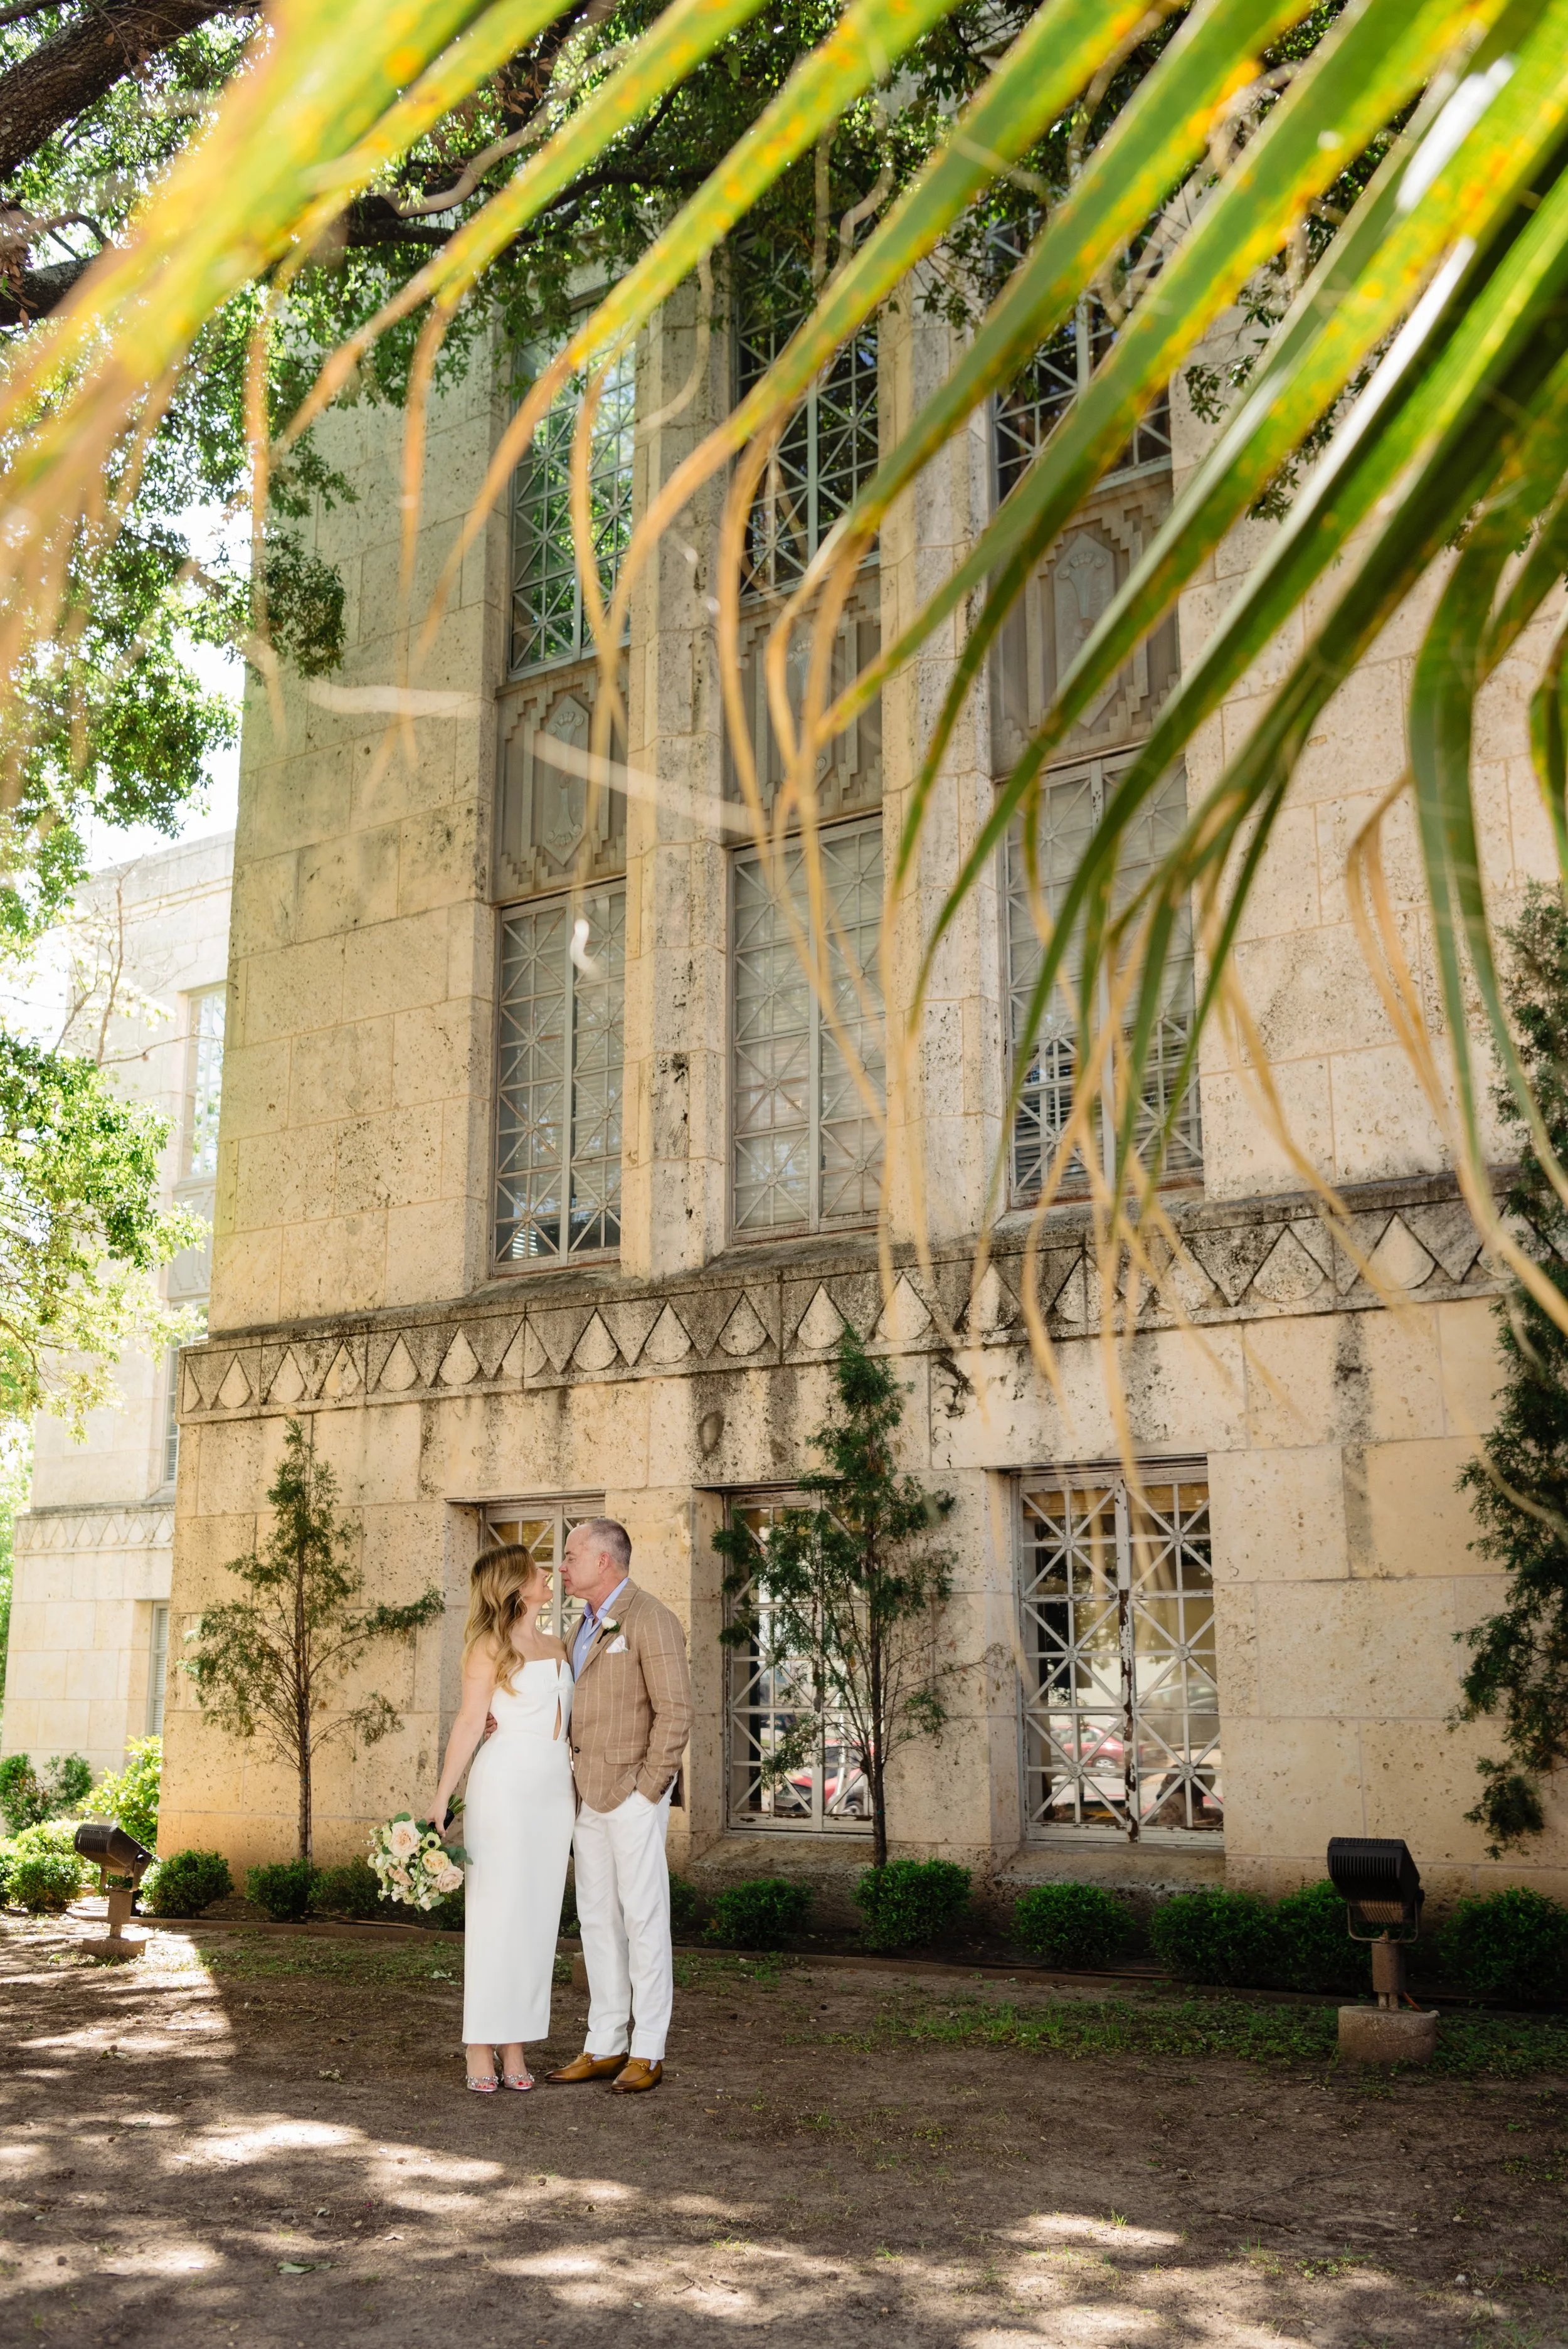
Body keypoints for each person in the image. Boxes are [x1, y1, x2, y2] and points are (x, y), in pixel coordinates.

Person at [546, 1516, 692, 2096]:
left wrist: (648, 1789)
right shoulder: (578, 1625)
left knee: (644, 1919)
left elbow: (676, 1710)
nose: (562, 1565)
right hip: (585, 1796)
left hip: (632, 1795)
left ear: (605, 1560)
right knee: (598, 1920)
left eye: (572, 1554)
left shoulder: (651, 1618)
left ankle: (648, 2048)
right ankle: (604, 2042)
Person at [431, 1544, 573, 2094]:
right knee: (497, 1916)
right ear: (517, 1586)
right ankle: (479, 2043)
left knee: (537, 1919)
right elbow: (470, 1722)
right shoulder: (488, 1646)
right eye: (539, 1572)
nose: (548, 1576)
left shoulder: (559, 1645)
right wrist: (442, 1797)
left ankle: (516, 2041)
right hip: (504, 1787)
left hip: (553, 1790)